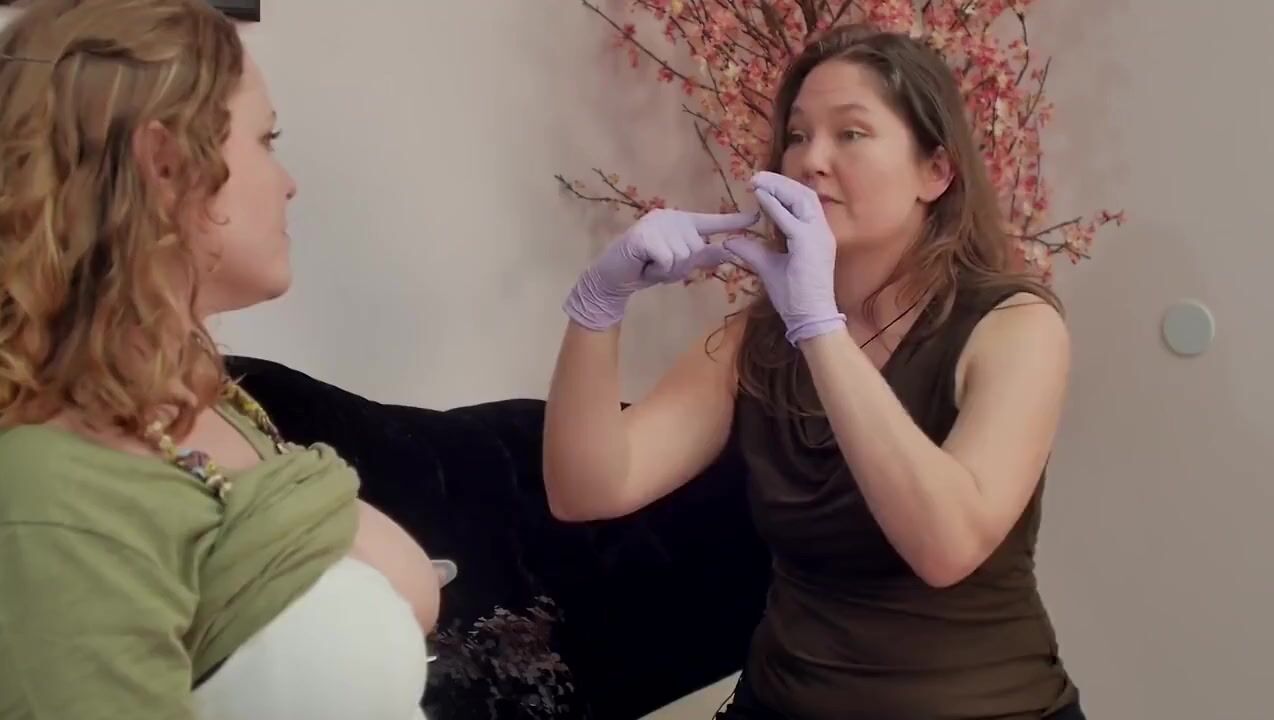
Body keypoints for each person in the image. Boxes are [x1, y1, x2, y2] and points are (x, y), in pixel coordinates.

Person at [544, 23, 1084, 720]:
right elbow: (587, 489)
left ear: (936, 172)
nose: (811, 160)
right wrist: (598, 304)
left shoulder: (1016, 328)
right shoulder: (753, 342)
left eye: (850, 134)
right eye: (797, 136)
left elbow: (946, 545)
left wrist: (818, 326)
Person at [0, 1, 440, 718]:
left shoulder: (197, 402)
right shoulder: (53, 496)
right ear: (166, 165)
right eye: (266, 140)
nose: (289, 181)